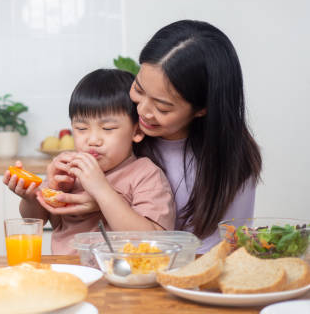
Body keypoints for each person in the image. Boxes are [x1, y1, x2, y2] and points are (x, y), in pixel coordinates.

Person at [48, 20, 261, 253]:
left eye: (162, 107)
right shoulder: (124, 135)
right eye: (139, 90)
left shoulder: (232, 159)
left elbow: (223, 250)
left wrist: (101, 202)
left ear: (202, 108)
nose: (142, 111)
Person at [3, 69, 175, 254]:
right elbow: (37, 219)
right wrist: (31, 197)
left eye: (108, 128)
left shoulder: (146, 174)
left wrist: (101, 189)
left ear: (137, 131)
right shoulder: (69, 170)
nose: (93, 139)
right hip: (70, 274)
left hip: (120, 278)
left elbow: (153, 242)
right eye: (81, 128)